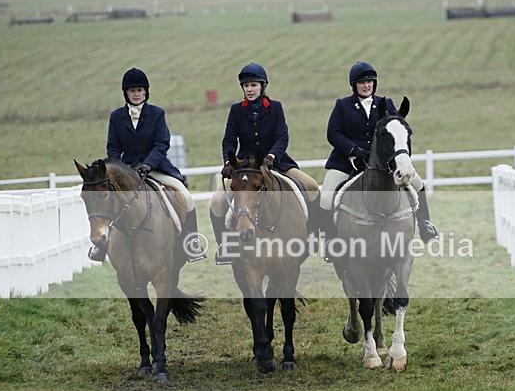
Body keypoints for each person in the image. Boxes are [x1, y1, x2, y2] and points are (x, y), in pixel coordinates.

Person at [317, 61, 438, 261]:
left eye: (370, 82)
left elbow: (395, 128)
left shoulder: (385, 104)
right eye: (362, 82)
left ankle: (426, 225)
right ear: (354, 85)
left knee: (418, 184)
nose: (366, 85)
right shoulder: (342, 105)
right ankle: (331, 242)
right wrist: (355, 150)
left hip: (382, 162)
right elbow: (333, 134)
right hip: (347, 160)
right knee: (326, 197)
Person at [209, 63, 319, 264]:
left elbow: (282, 137)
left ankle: (311, 236)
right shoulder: (236, 110)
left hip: (276, 163)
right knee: (217, 201)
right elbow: (229, 139)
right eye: (246, 86)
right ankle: (226, 247)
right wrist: (228, 161)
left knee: (311, 186)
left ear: (262, 86)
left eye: (253, 85)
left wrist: (271, 157)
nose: (249, 89)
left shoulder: (275, 107)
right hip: (245, 168)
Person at [91, 67, 205, 262]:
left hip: (157, 168)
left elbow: (162, 143)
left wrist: (149, 164)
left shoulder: (157, 113)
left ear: (146, 92)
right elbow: (113, 147)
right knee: (109, 201)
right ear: (126, 93)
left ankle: (191, 243)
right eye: (132, 91)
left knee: (186, 196)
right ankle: (102, 246)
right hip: (127, 171)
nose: (136, 94)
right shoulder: (116, 117)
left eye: (139, 90)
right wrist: (117, 169)